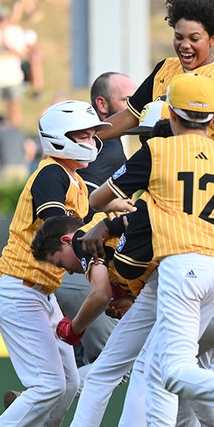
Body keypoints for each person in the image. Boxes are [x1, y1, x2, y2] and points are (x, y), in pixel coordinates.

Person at [88, 73, 214, 427]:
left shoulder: (157, 151)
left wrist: (116, 210)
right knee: (172, 364)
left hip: (181, 268)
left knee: (173, 370)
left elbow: (97, 199)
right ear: (212, 120)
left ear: (172, 115)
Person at [0, 100, 114, 427]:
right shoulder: (52, 172)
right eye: (82, 133)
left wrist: (113, 213)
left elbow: (80, 218)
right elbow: (57, 224)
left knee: (66, 386)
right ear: (60, 137)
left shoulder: (74, 181)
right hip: (19, 287)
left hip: (40, 293)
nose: (91, 139)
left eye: (92, 133)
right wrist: (104, 231)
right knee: (49, 385)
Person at [99, 0, 214, 164]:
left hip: (196, 183)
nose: (184, 45)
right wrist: (88, 136)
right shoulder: (164, 68)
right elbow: (130, 116)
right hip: (157, 177)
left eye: (194, 38)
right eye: (178, 37)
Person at [54, 71, 137, 372]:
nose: (134, 107)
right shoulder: (102, 143)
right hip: (82, 267)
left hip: (74, 264)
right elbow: (80, 195)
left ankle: (30, 407)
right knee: (113, 364)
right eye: (127, 100)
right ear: (102, 104)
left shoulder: (105, 141)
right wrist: (114, 203)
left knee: (72, 369)